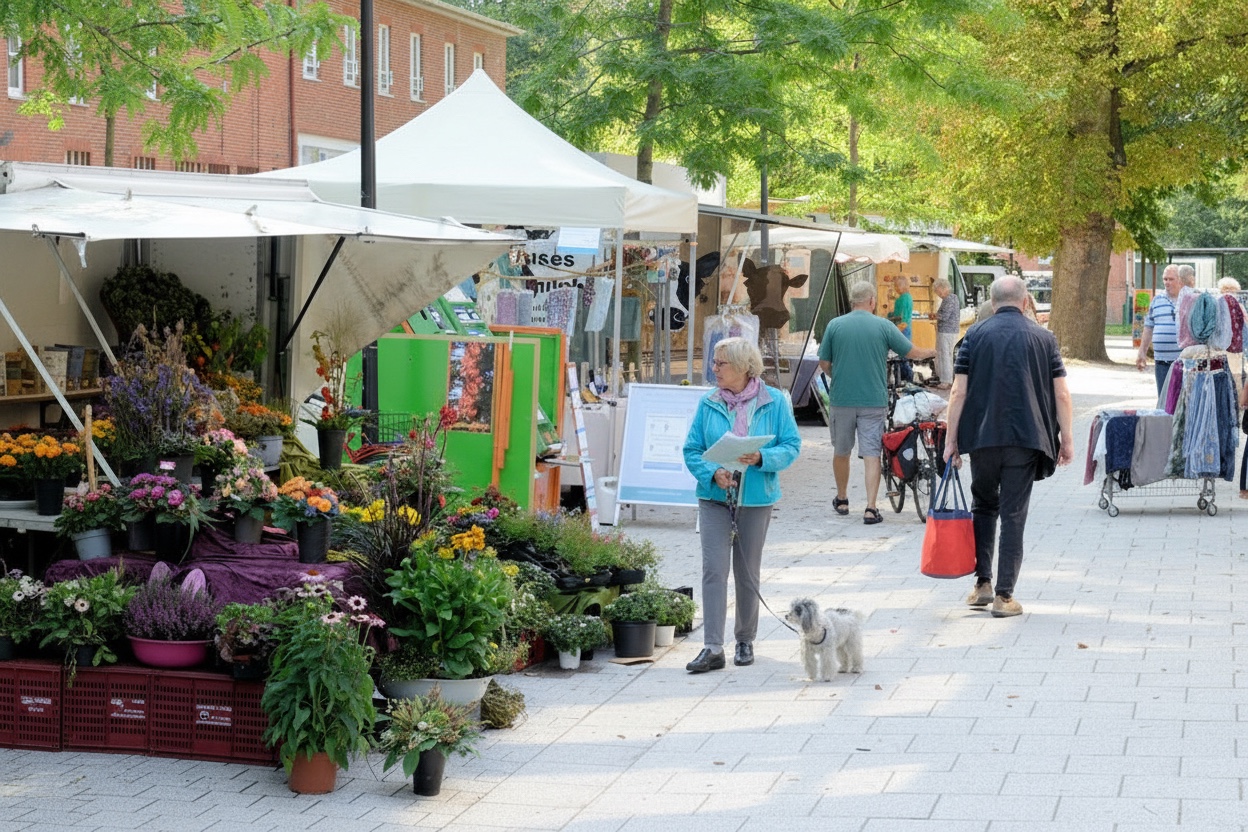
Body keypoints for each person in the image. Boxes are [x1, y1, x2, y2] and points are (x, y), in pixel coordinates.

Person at [943, 275, 1074, 618]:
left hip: (982, 438)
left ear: (992, 301)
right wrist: (1068, 439)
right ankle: (1005, 596)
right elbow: (1061, 393)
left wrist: (950, 440)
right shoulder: (1045, 339)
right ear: (1026, 300)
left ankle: (982, 584)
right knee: (1013, 514)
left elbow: (958, 392)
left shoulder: (973, 336)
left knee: (983, 506)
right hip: (1026, 437)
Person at [682, 336, 801, 673]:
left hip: (756, 499)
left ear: (744, 367)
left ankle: (745, 639)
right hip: (714, 499)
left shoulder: (775, 402)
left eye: (721, 363)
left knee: (747, 572)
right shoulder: (708, 403)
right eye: (714, 362)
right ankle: (712, 647)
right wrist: (713, 472)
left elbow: (792, 445)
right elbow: (691, 450)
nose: (714, 368)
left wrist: (763, 456)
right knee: (713, 571)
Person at [818, 281, 935, 524]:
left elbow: (824, 363)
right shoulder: (883, 326)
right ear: (872, 301)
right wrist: (932, 352)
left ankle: (842, 499)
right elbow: (910, 352)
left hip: (842, 399)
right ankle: (871, 508)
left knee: (841, 450)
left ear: (852, 302)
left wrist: (837, 376)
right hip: (873, 400)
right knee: (872, 453)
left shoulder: (835, 325)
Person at [1136, 265, 1182, 394]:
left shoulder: (1187, 300)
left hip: (1182, 361)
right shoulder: (1157, 300)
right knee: (1163, 400)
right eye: (1165, 279)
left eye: (1171, 279)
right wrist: (1142, 352)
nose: (1167, 282)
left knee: (1181, 401)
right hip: (1161, 361)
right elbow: (1148, 327)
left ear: (1180, 280)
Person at [932, 278, 961, 390]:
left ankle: (946, 380)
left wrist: (935, 316)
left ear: (944, 288)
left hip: (947, 331)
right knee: (946, 355)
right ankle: (946, 379)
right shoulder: (950, 299)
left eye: (938, 291)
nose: (938, 294)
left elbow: (945, 316)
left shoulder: (950, 299)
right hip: (948, 331)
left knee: (945, 355)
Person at [887, 275, 914, 381]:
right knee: (899, 356)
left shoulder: (906, 298)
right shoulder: (902, 298)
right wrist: (889, 315)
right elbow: (897, 314)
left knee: (902, 357)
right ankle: (901, 379)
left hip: (903, 330)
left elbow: (905, 318)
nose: (895, 288)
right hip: (900, 328)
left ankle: (908, 379)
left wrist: (898, 330)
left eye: (897, 286)